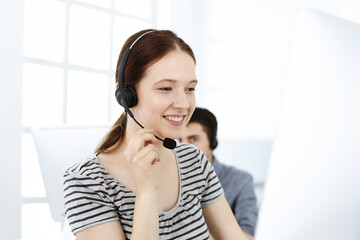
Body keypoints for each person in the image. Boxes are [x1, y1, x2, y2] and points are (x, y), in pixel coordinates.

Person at [63, 29, 249, 240]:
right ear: (126, 95)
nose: (183, 104)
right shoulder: (86, 182)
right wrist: (146, 191)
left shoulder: (194, 162)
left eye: (190, 89)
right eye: (166, 88)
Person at [179, 107, 258, 240]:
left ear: (212, 142)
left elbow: (247, 237)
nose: (184, 147)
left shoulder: (241, 180)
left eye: (193, 139)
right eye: (180, 140)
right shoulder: (170, 179)